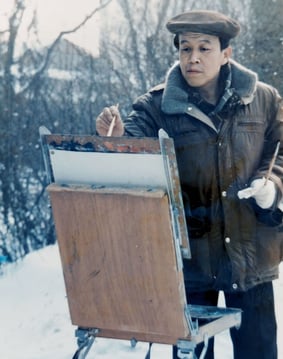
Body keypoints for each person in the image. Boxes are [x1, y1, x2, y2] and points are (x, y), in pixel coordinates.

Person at [95, 9, 283, 359]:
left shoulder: (265, 100)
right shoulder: (156, 107)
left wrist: (271, 185)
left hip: (252, 253)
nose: (192, 58)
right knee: (192, 355)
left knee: (259, 352)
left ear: (226, 53)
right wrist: (117, 139)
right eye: (185, 48)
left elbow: (281, 149)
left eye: (204, 48)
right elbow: (131, 165)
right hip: (191, 259)